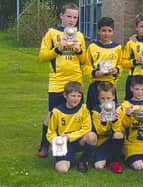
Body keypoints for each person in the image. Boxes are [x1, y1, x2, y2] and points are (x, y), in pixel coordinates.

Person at [38, 2, 86, 158]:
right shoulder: (51, 33)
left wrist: (79, 50)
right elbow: (42, 56)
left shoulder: (79, 35)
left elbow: (84, 59)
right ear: (61, 16)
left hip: (76, 81)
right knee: (52, 114)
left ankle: (72, 144)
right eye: (69, 16)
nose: (72, 20)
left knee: (76, 112)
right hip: (57, 81)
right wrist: (58, 49)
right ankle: (44, 145)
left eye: (75, 17)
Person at [47, 81, 97, 173]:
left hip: (78, 141)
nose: (76, 99)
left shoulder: (84, 109)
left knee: (92, 136)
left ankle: (83, 160)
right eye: (73, 96)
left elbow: (86, 128)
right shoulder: (57, 111)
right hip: (64, 143)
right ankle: (62, 156)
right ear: (65, 95)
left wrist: (69, 137)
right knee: (63, 170)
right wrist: (56, 141)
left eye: (79, 96)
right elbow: (51, 131)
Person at [78, 81, 124, 173]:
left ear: (113, 97)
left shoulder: (118, 109)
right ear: (98, 98)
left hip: (113, 140)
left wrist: (114, 120)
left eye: (108, 98)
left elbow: (118, 130)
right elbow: (99, 132)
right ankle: (96, 157)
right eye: (103, 98)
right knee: (99, 166)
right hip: (101, 142)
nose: (106, 101)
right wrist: (103, 121)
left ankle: (115, 161)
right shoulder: (96, 111)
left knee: (118, 135)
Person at [84, 17, 122, 110]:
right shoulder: (92, 47)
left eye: (109, 31)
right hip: (95, 85)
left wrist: (116, 70)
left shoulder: (117, 48)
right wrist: (95, 73)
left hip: (110, 85)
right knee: (93, 111)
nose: (106, 33)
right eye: (104, 30)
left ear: (113, 32)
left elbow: (121, 65)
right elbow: (86, 67)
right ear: (98, 31)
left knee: (110, 113)